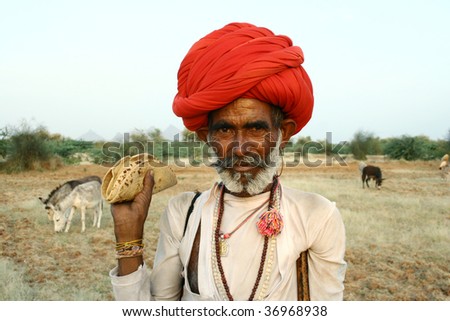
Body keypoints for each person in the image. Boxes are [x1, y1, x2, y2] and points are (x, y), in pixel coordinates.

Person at [109, 22, 346, 301]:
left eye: (256, 129)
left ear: (284, 133)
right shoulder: (182, 214)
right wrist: (128, 237)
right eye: (224, 130)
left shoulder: (316, 215)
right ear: (205, 137)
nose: (240, 147)